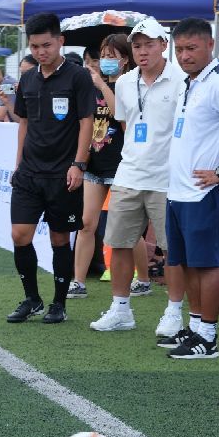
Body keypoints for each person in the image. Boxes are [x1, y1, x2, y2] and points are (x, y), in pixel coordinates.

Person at [89, 18, 189, 336]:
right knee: (119, 244)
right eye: (137, 46)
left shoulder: (182, 80)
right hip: (129, 174)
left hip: (167, 179)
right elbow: (127, 126)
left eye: (149, 44)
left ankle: (174, 312)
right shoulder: (124, 82)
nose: (143, 51)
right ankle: (121, 309)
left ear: (164, 45)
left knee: (172, 249)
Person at [162, 18, 219, 358]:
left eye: (191, 48)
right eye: (179, 49)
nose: (184, 55)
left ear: (210, 45)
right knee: (187, 262)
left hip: (204, 192)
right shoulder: (191, 82)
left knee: (207, 263)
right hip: (179, 191)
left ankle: (209, 337)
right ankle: (197, 326)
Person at [7, 13, 95, 324]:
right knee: (20, 235)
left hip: (63, 174)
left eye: (46, 45)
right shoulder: (27, 79)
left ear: (60, 41)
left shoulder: (78, 77)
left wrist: (78, 164)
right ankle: (32, 299)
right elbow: (24, 123)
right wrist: (18, 164)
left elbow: (87, 122)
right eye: (34, 46)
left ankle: (59, 304)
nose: (41, 52)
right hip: (29, 173)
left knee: (60, 239)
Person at [68, 34, 132, 300]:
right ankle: (78, 281)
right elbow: (86, 124)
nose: (104, 61)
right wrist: (80, 162)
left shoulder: (130, 84)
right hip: (95, 165)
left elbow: (121, 115)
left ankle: (142, 278)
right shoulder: (92, 88)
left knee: (125, 229)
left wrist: (103, 85)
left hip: (121, 167)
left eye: (110, 56)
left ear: (125, 60)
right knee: (86, 224)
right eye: (102, 55)